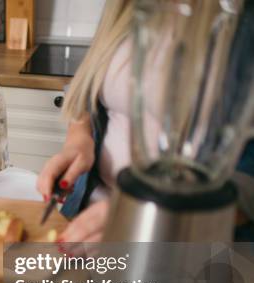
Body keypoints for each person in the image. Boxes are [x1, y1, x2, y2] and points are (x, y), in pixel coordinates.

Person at [36, 0, 254, 243]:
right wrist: (78, 139)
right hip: (88, 222)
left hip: (181, 247)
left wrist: (140, 215)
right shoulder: (125, 7)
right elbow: (90, 91)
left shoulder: (240, 21)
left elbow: (246, 193)